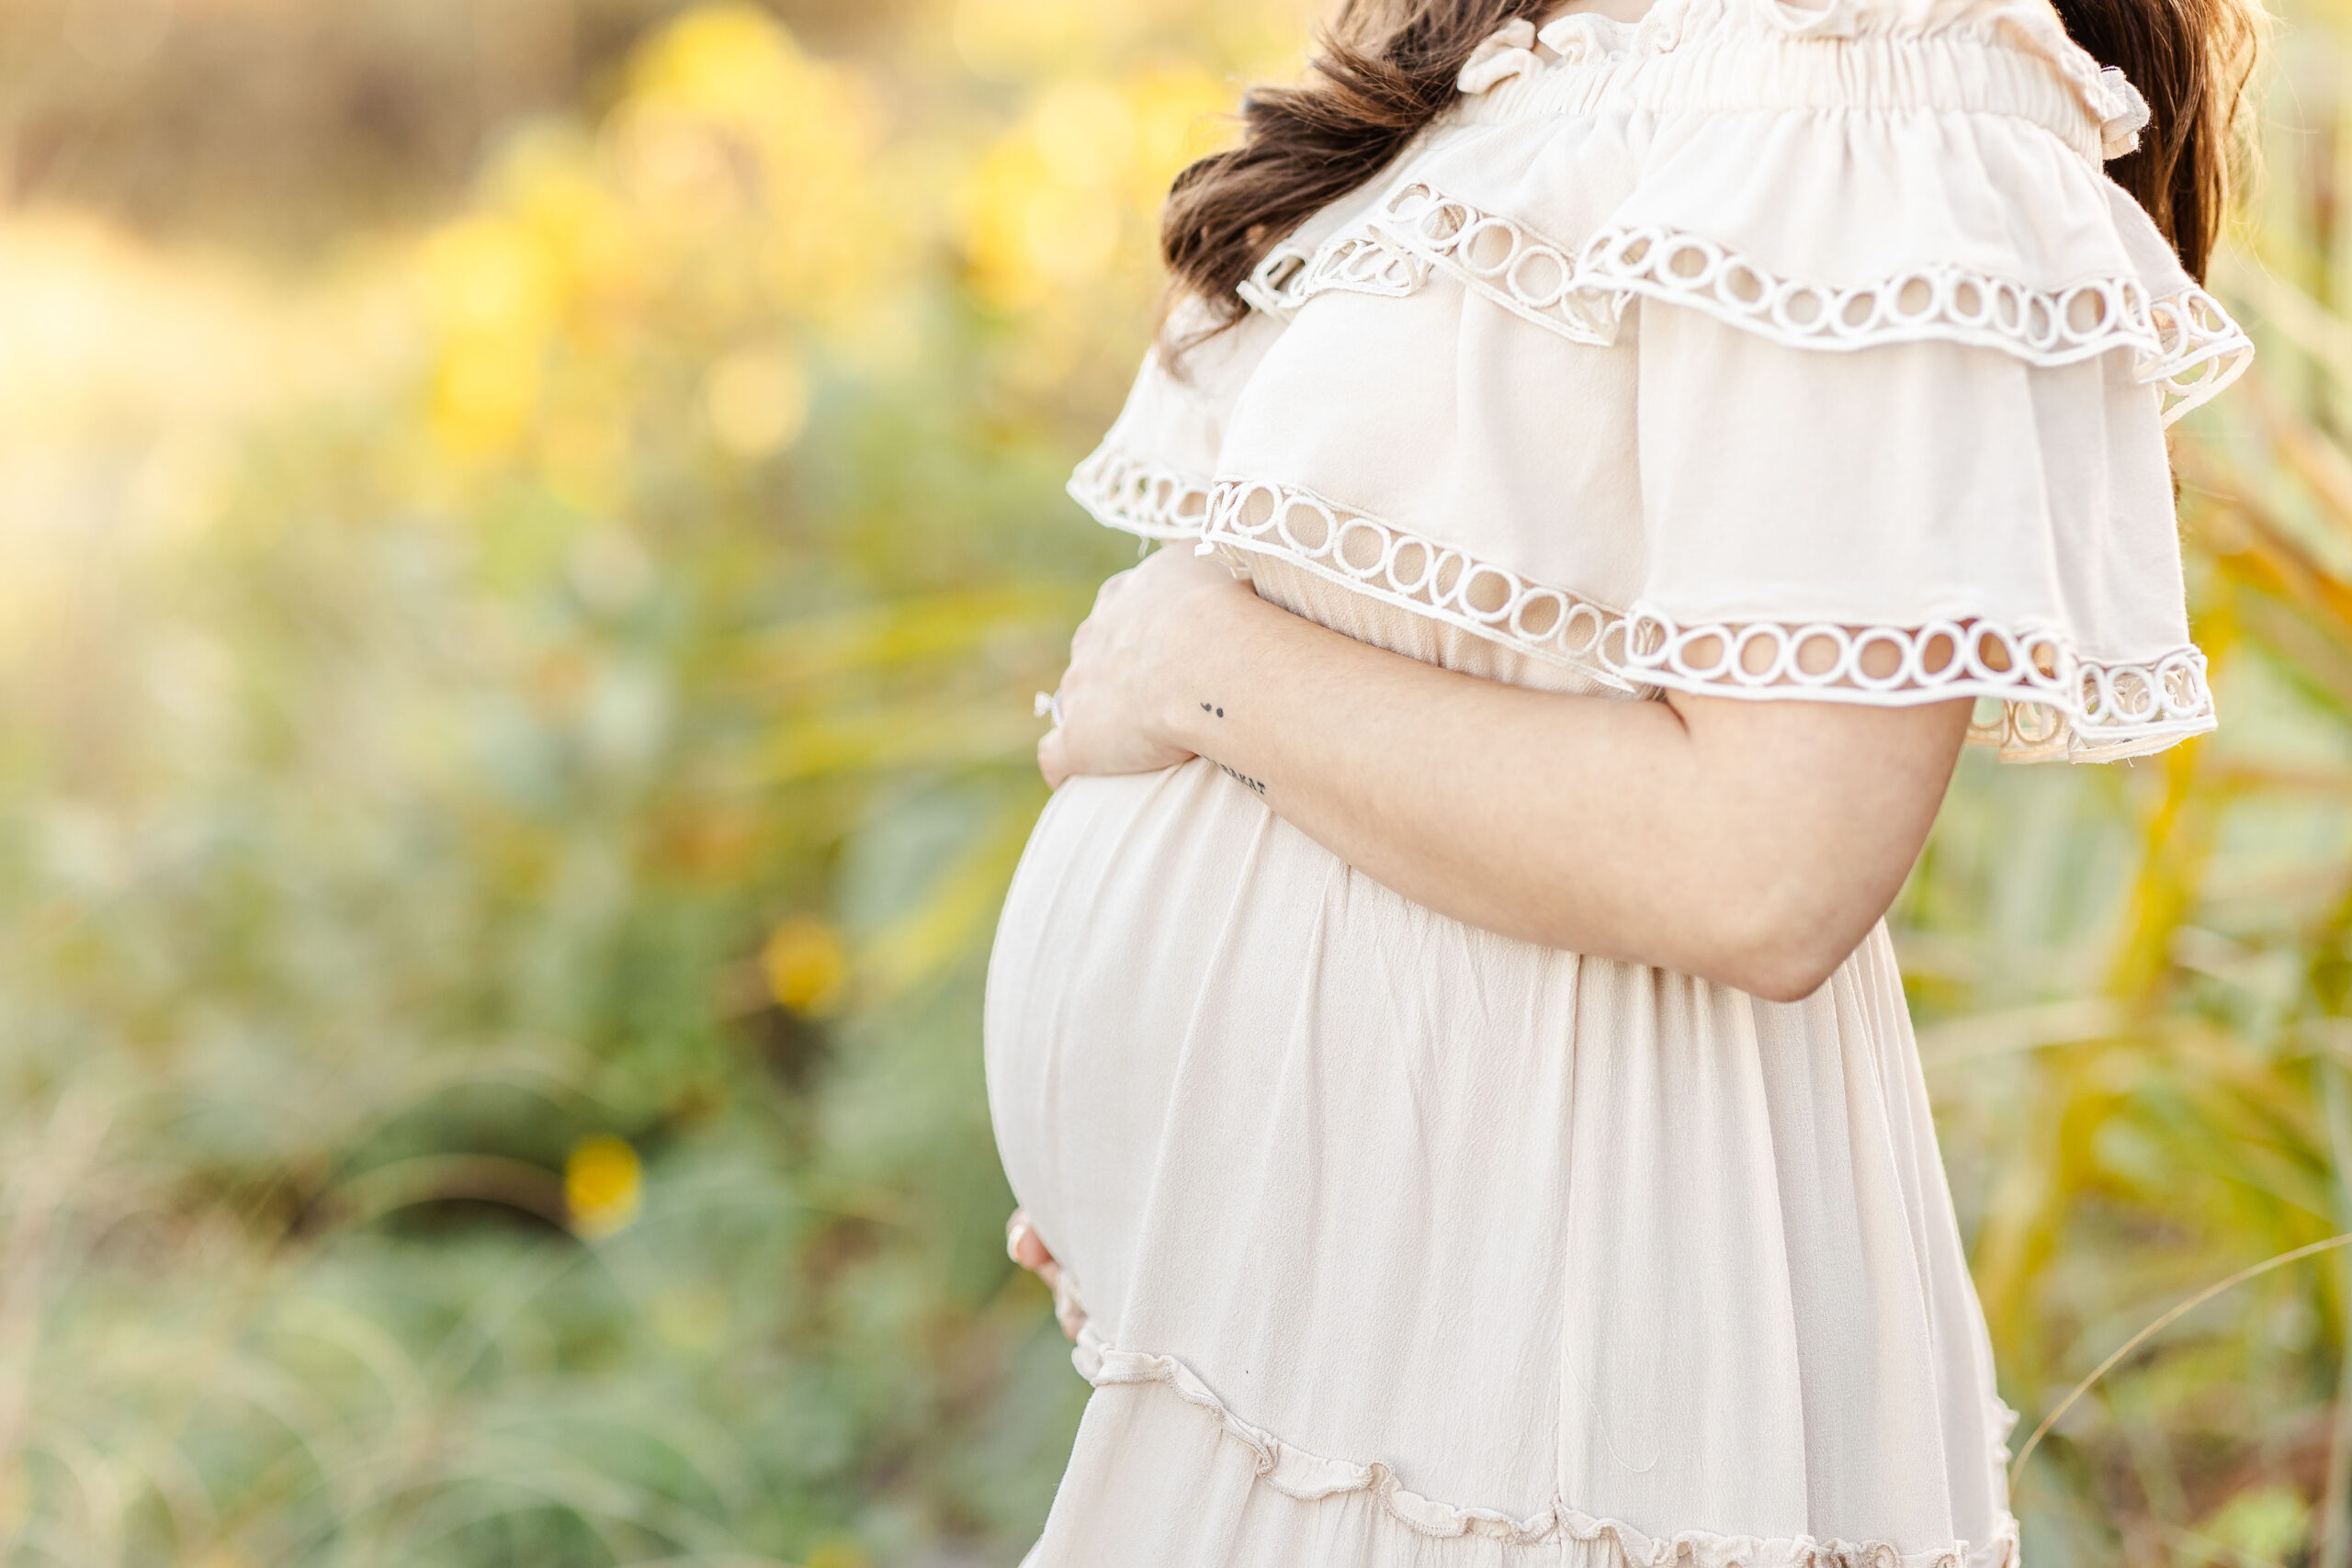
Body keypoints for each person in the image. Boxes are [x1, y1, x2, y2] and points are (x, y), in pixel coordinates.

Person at [987, 0, 2258, 1555]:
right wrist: (1203, 1167)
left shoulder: (1853, 72)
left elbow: (1766, 867)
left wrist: (1200, 666)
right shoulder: (1533, 35)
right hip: (1343, 1307)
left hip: (1551, 1322)